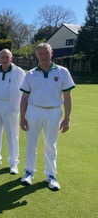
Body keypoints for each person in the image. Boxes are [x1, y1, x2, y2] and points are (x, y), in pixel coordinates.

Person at [20, 43, 75, 191]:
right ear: (37, 56)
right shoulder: (30, 74)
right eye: (40, 54)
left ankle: (51, 175)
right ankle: (29, 172)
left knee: (51, 145)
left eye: (46, 53)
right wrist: (22, 117)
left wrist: (67, 118)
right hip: (34, 111)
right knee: (31, 143)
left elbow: (67, 97)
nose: (43, 56)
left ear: (51, 53)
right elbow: (24, 98)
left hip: (54, 112)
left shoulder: (62, 72)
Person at [0, 49, 26, 174]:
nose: (5, 59)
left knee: (12, 135)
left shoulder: (18, 72)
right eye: (2, 57)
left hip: (10, 105)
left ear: (11, 58)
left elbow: (24, 91)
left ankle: (13, 163)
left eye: (7, 57)